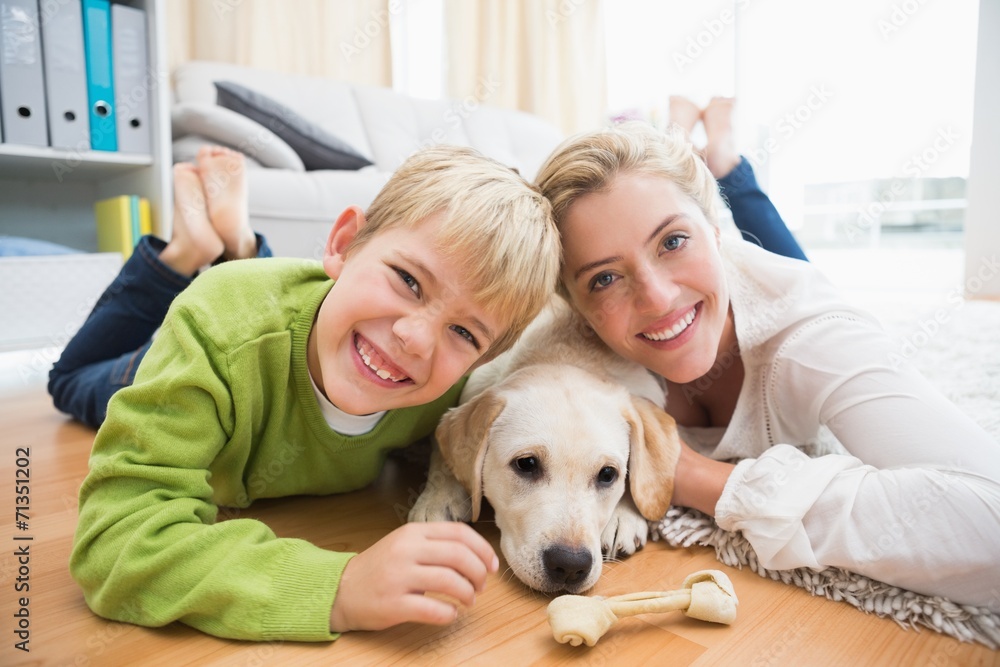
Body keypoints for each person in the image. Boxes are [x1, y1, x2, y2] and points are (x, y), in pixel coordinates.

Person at [67, 144, 562, 641]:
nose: (415, 338)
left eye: (464, 334)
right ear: (344, 243)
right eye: (408, 280)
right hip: (196, 345)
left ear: (483, 359)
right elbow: (115, 541)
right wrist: (338, 587)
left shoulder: (447, 390)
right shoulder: (214, 334)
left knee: (314, 312)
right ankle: (185, 251)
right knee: (71, 379)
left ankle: (239, 240)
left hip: (304, 315)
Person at [534, 112, 1000, 607]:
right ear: (576, 311)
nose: (657, 298)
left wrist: (691, 476)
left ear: (715, 231)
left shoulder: (812, 332)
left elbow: (987, 524)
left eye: (673, 241)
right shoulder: (568, 354)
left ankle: (724, 151)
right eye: (604, 278)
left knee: (791, 255)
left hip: (768, 285)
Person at [49, 146, 266, 428]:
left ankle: (220, 251)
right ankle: (229, 250)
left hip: (211, 379)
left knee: (66, 379)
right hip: (256, 377)